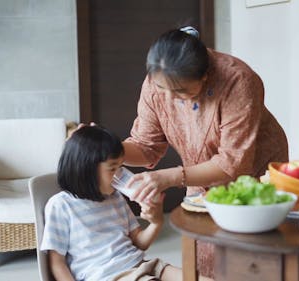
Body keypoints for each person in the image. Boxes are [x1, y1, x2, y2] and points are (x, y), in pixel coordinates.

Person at [122, 26, 289, 277]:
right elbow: (145, 146)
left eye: (179, 91)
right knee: (204, 254)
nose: (168, 97)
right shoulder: (157, 81)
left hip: (254, 175)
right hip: (199, 172)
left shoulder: (238, 80)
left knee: (250, 260)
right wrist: (107, 148)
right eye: (161, 88)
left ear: (206, 76)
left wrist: (168, 177)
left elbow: (232, 164)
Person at [40, 126, 212, 281]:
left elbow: (139, 243)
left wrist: (156, 221)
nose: (119, 176)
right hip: (108, 275)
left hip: (143, 266)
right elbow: (57, 263)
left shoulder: (114, 198)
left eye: (120, 168)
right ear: (86, 169)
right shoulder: (61, 205)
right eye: (112, 169)